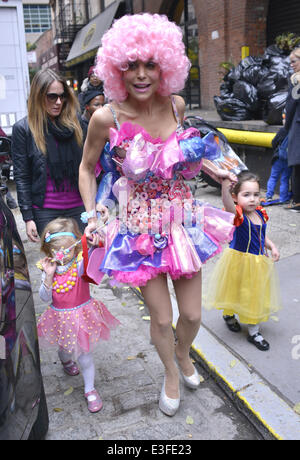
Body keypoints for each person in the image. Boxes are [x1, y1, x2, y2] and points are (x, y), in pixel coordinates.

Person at [79, 13, 236, 416]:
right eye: (131, 65)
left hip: (183, 223)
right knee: (162, 319)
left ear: (166, 65)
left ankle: (185, 353)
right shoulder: (106, 118)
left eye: (151, 63)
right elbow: (86, 168)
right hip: (137, 232)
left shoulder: (177, 105)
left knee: (194, 315)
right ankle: (171, 370)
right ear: (117, 69)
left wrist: (216, 170)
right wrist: (92, 216)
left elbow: (181, 157)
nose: (142, 74)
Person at [37, 217, 120, 412]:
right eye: (56, 250)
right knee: (65, 348)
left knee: (84, 355)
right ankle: (65, 360)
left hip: (83, 316)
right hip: (59, 317)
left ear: (75, 247)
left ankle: (90, 390)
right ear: (49, 250)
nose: (62, 254)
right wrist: (48, 276)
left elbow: (95, 257)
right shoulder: (49, 268)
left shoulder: (80, 263)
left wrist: (93, 242)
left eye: (67, 249)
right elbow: (43, 297)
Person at [204, 171, 281, 351]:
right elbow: (227, 203)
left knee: (253, 296)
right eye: (246, 195)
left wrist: (272, 246)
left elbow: (261, 236)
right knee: (234, 289)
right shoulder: (238, 216)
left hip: (258, 263)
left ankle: (254, 331)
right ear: (236, 197)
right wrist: (225, 187)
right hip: (238, 261)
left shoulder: (260, 214)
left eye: (256, 194)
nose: (252, 199)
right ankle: (228, 315)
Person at [11, 69, 85, 242]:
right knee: (58, 265)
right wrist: (28, 218)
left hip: (79, 207)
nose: (58, 102)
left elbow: (89, 166)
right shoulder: (24, 129)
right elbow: (22, 176)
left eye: (62, 96)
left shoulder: (77, 124)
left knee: (84, 263)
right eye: (52, 96)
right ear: (38, 96)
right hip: (46, 211)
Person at [272, 47, 300, 212]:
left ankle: (297, 201)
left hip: (297, 124)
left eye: (294, 61)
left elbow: (290, 105)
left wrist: (286, 128)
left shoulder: (296, 80)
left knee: (297, 163)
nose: (291, 65)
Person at [261, 133, 292, 206]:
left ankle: (269, 196)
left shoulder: (283, 130)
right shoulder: (295, 131)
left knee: (273, 177)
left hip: (278, 158)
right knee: (285, 179)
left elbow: (273, 142)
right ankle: (283, 198)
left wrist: (278, 149)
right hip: (288, 159)